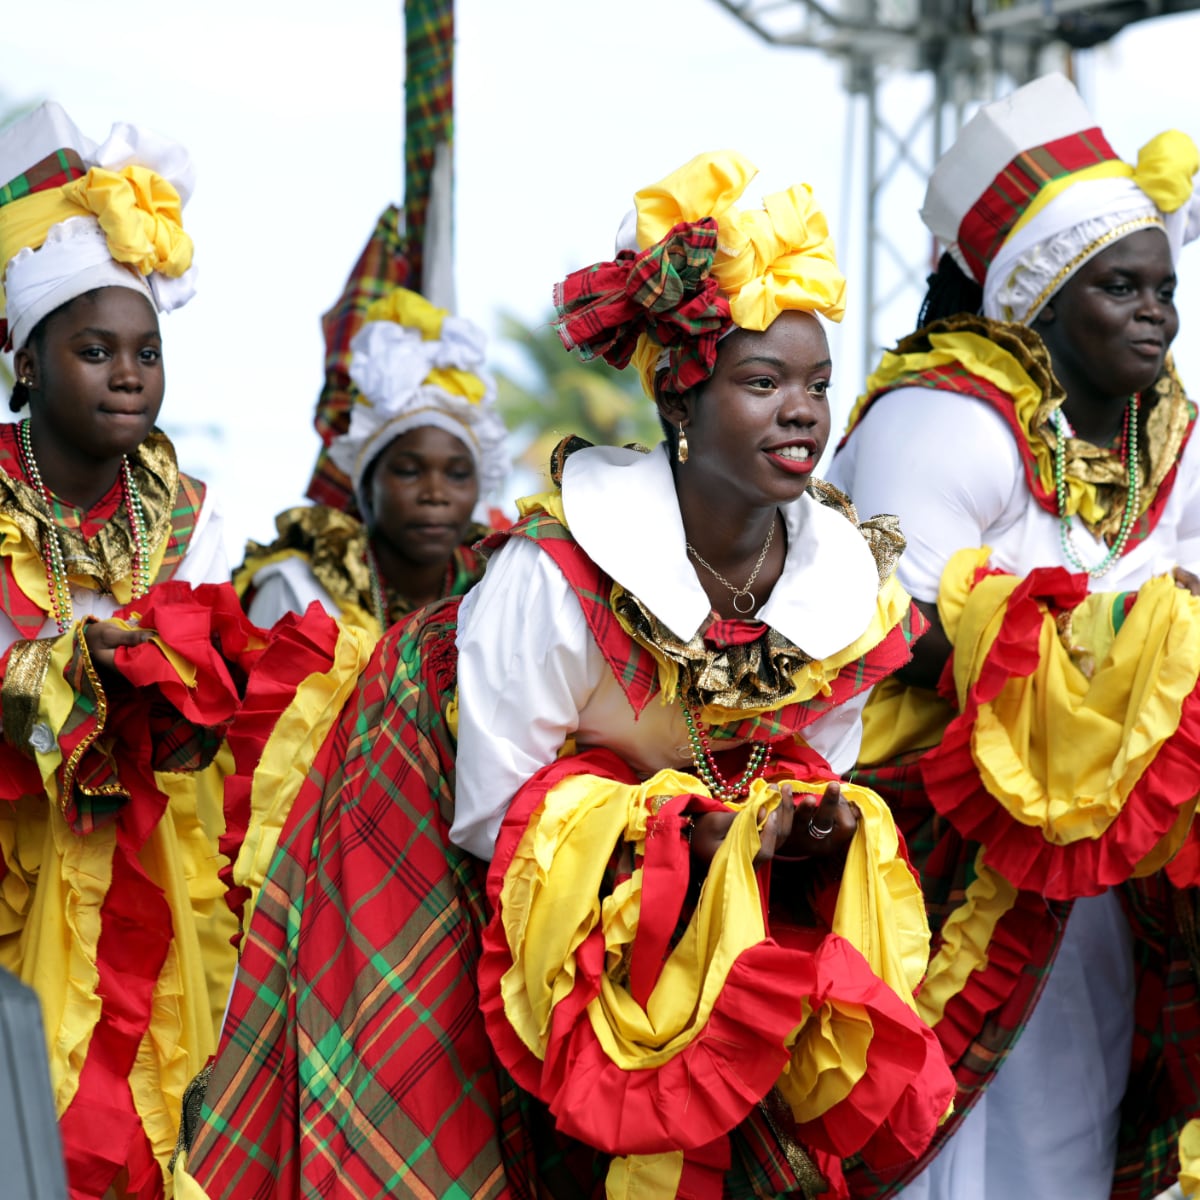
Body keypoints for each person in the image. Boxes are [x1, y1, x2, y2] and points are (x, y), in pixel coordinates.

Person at [179, 150, 955, 1200]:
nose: (802, 411)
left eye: (817, 384)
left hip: (687, 906)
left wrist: (799, 827)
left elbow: (815, 764)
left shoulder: (843, 588)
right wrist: (678, 840)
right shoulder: (556, 576)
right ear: (683, 402)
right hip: (452, 868)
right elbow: (492, 812)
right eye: (761, 382)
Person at [826, 74, 1200, 1200]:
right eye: (1121, 288)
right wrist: (1134, 649)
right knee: (936, 1136)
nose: (1157, 315)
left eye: (1166, 289)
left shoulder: (1166, 437)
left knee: (1066, 1132)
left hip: (1099, 872)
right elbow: (916, 631)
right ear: (1037, 299)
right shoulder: (939, 418)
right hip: (938, 847)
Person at [0, 104, 370, 1200]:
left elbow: (223, 647)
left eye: (147, 352)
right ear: (25, 362)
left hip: (150, 860)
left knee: (157, 1112)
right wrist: (66, 672)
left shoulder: (180, 507)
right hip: (15, 863)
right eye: (95, 349)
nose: (128, 375)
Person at [235, 285, 506, 641]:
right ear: (364, 485)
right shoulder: (298, 590)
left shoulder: (501, 590)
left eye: (457, 474)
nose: (435, 493)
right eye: (409, 471)